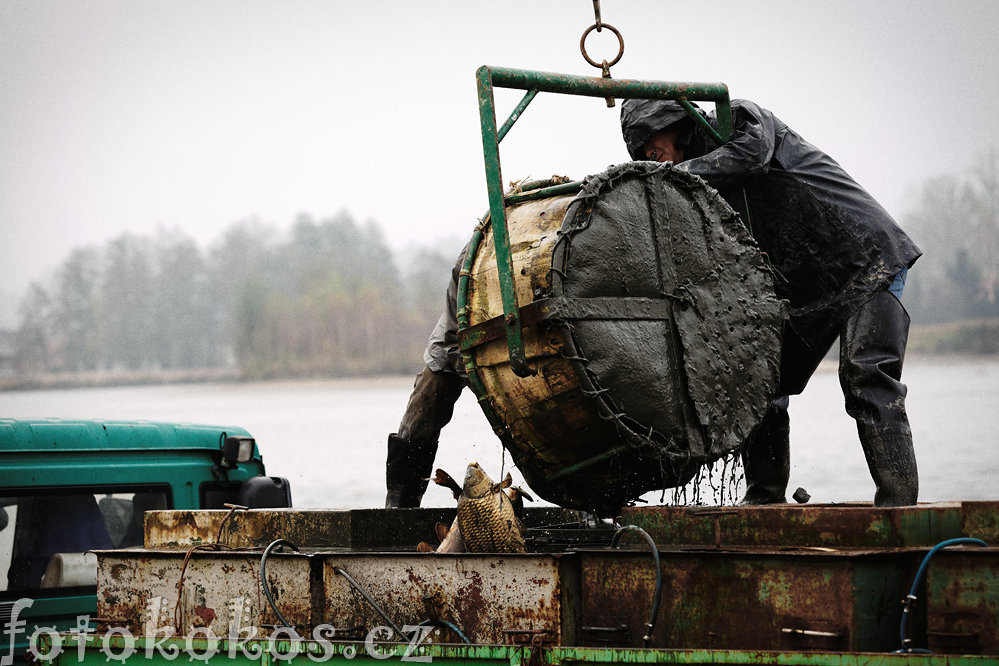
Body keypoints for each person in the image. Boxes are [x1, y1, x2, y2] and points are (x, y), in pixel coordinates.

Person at [620, 98, 921, 506]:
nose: (645, 153)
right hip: (806, 290)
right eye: (637, 150)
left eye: (648, 139)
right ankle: (764, 500)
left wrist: (675, 176)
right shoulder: (695, 193)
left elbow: (753, 155)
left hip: (867, 256)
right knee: (762, 385)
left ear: (674, 122)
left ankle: (898, 507)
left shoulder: (740, 119)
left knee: (866, 373)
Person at [385, 249, 468, 507]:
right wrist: (463, 362)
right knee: (424, 405)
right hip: (456, 337)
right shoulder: (474, 254)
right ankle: (400, 505)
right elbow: (453, 330)